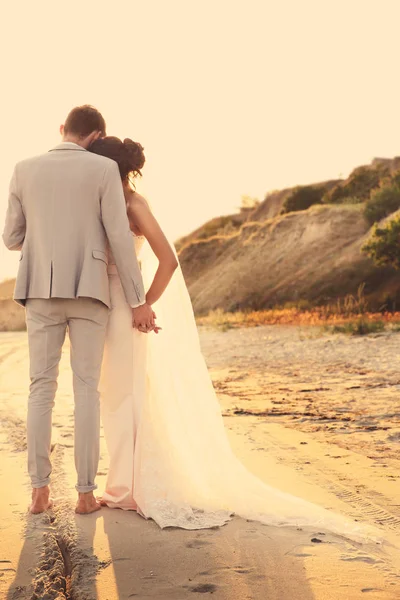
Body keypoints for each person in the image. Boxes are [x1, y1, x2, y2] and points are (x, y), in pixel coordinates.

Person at [89, 137, 381, 543]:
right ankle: (122, 483)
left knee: (128, 396)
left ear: (112, 170)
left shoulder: (134, 204)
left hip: (126, 307)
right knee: (116, 394)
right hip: (103, 307)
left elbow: (169, 259)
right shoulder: (102, 201)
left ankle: (129, 488)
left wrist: (144, 303)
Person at [2, 106, 155, 515]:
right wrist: (139, 301)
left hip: (39, 290)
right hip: (90, 290)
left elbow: (11, 238)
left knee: (41, 388)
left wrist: (49, 238)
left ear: (62, 130)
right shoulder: (102, 170)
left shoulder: (23, 167)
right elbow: (120, 240)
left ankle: (40, 492)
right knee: (87, 388)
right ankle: (86, 495)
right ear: (97, 134)